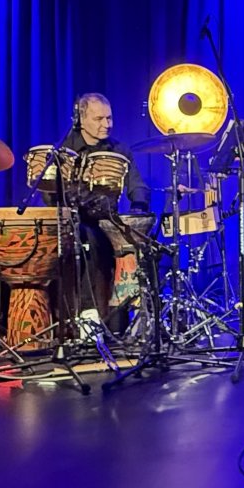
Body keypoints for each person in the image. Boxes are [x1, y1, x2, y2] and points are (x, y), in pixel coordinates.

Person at [58, 93, 151, 338]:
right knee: (88, 239)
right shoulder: (66, 151)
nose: (107, 124)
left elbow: (137, 186)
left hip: (108, 221)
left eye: (109, 118)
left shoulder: (119, 150)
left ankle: (134, 318)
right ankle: (89, 318)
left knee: (146, 244)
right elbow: (52, 193)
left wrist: (139, 207)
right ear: (80, 119)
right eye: (99, 119)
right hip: (76, 223)